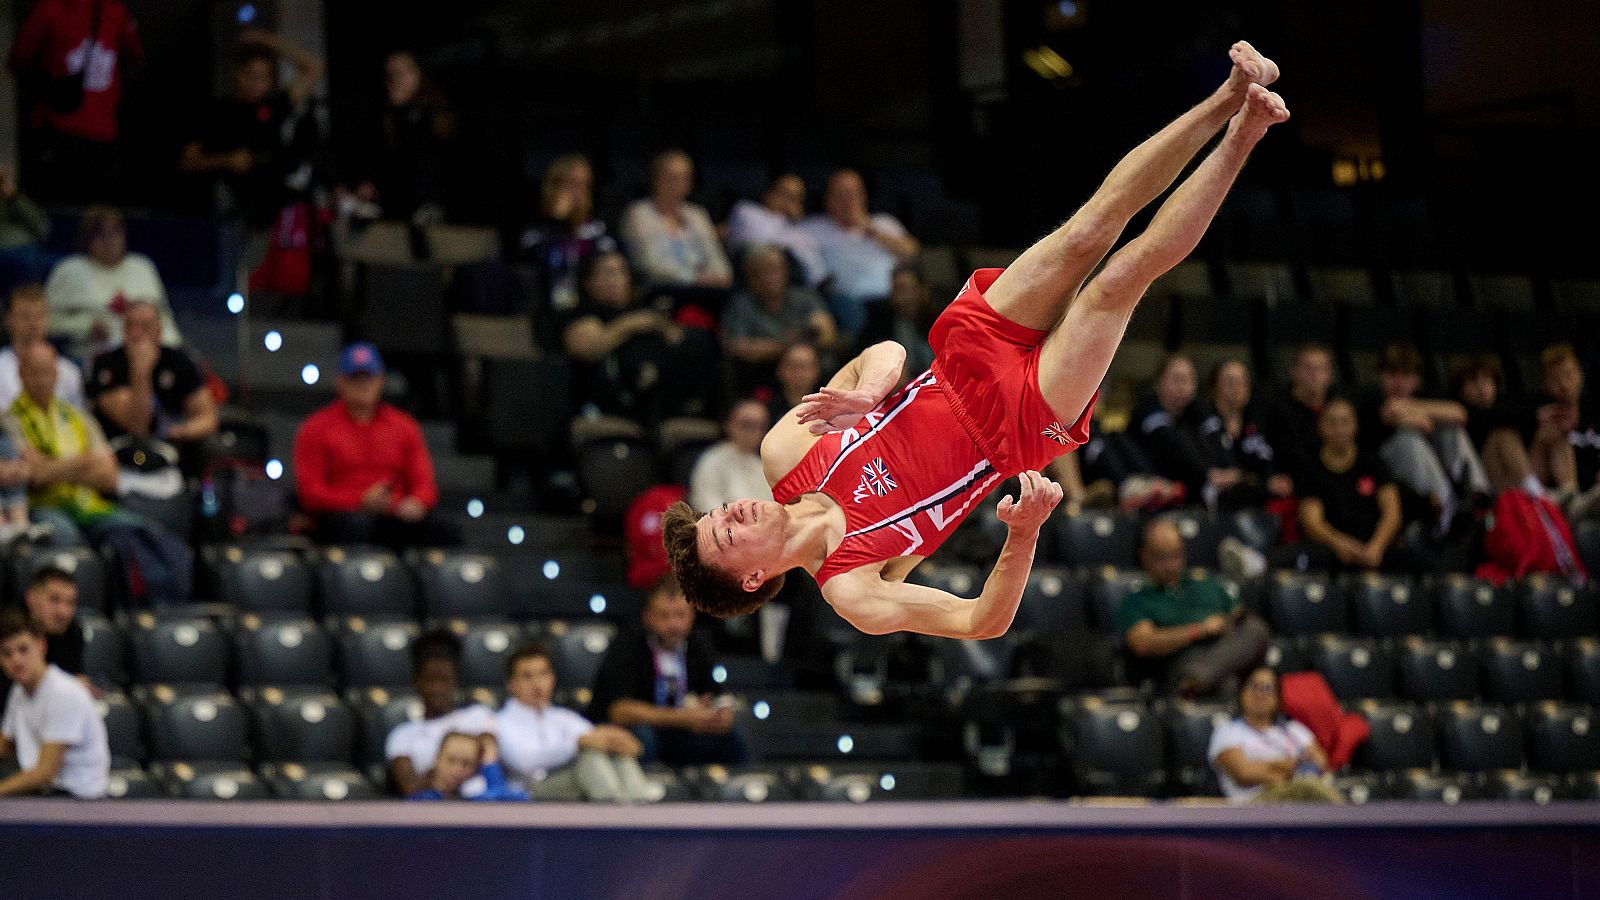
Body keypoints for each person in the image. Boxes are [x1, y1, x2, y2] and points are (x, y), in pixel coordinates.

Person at [660, 43, 1291, 638]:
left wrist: (868, 395)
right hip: (1014, 427)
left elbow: (885, 353)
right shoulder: (852, 589)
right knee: (1121, 279)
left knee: (1090, 227)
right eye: (723, 535)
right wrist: (1024, 533)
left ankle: (1229, 93)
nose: (731, 513)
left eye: (717, 514)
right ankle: (1245, 134)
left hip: (959, 361)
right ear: (752, 577)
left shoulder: (783, 452)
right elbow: (978, 622)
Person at [6, 342, 192, 605]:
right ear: (21, 374)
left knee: (157, 537)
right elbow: (33, 474)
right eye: (34, 372)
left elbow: (109, 475)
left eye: (47, 371)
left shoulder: (77, 417)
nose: (41, 379)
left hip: (89, 505)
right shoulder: (10, 420)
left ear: (57, 373)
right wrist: (83, 464)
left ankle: (161, 611)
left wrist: (53, 467)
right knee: (71, 541)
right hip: (46, 507)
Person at [293, 342, 459, 549]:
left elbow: (425, 485)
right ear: (340, 381)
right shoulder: (315, 428)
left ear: (381, 380)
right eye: (355, 378)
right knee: (354, 526)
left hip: (395, 515)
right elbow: (310, 493)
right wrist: (359, 500)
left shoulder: (404, 426)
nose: (363, 384)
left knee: (445, 532)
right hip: (342, 517)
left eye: (368, 377)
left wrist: (416, 502)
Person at [589, 575, 748, 767]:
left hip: (683, 732)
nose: (673, 625)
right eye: (664, 616)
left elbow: (711, 695)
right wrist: (682, 718)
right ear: (647, 617)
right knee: (642, 738)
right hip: (643, 730)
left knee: (733, 740)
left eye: (680, 615)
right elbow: (619, 711)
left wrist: (717, 714)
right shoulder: (628, 644)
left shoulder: (698, 645)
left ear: (692, 615)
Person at [179, 28, 324, 226]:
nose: (258, 84)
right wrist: (226, 160)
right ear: (239, 75)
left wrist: (268, 40)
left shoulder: (272, 106)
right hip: (234, 212)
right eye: (253, 76)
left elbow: (314, 68)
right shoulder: (216, 112)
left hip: (278, 209)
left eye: (264, 78)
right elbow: (188, 161)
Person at [1274, 398, 1433, 573]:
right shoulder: (1310, 469)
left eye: (1345, 422)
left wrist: (1376, 547)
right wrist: (1341, 544)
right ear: (1320, 427)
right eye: (1332, 422)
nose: (1339, 429)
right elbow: (1313, 522)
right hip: (1332, 545)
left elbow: (1392, 513)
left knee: (1425, 566)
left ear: (1355, 426)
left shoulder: (1373, 464)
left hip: (1374, 542)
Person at [8, 0, 144, 203]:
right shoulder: (114, 12)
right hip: (77, 131)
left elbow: (19, 59)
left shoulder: (52, 9)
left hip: (70, 131)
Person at [1117, 520, 1269, 698]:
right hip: (1182, 660)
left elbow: (1239, 615)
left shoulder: (1204, 582)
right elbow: (1143, 643)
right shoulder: (1138, 598)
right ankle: (1195, 679)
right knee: (1227, 684)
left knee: (1255, 629)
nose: (1171, 565)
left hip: (1224, 652)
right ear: (1144, 557)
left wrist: (1225, 623)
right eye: (1162, 558)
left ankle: (1197, 679)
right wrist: (1199, 630)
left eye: (1176, 556)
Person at [561, 249, 712, 425]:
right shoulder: (583, 314)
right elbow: (588, 348)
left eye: (620, 272)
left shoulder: (646, 309)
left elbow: (677, 339)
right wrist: (633, 323)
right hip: (608, 406)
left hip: (660, 402)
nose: (614, 280)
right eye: (606, 273)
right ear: (588, 282)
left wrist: (659, 325)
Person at [1356, 343, 1490, 535]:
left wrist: (1416, 411)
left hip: (1428, 466)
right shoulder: (1370, 401)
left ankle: (1477, 496)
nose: (1399, 382)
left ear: (1417, 380)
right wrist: (1424, 416)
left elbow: (1459, 413)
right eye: (1392, 375)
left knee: (1452, 431)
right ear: (1381, 375)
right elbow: (1392, 413)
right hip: (1386, 467)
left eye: (1406, 376)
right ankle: (1446, 510)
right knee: (1409, 439)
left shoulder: (1422, 397)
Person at [497, 642, 651, 803]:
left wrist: (620, 742)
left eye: (543, 674)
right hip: (529, 791)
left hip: (570, 784)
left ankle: (640, 810)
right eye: (527, 676)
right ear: (511, 684)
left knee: (617, 757)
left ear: (552, 678)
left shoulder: (565, 717)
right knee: (590, 758)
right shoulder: (500, 721)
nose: (537, 683)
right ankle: (621, 816)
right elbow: (525, 762)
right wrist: (577, 743)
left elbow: (595, 739)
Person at [88, 300, 217, 477]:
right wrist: (141, 373)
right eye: (130, 326)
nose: (136, 334)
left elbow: (208, 418)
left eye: (145, 327)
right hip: (118, 452)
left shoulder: (179, 362)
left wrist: (181, 430)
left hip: (170, 448)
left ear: (159, 330)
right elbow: (138, 427)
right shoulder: (107, 364)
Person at [797, 169, 921, 337]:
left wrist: (870, 230)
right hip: (845, 301)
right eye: (840, 195)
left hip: (891, 299)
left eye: (853, 193)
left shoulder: (884, 223)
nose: (847, 201)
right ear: (827, 199)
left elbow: (912, 251)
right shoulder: (812, 228)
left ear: (864, 196)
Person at [43, 206, 180, 357]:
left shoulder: (142, 266)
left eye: (114, 233)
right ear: (87, 238)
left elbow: (165, 317)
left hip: (149, 353)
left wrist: (173, 346)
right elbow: (46, 321)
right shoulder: (69, 269)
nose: (109, 241)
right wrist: (86, 327)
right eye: (101, 235)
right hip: (93, 354)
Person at [0, 610, 109, 798]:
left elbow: (45, 773)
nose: (16, 660)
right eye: (6, 653)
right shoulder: (18, 691)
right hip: (48, 796)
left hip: (80, 803)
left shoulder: (63, 692)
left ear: (41, 645)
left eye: (23, 649)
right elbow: (5, 745)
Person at [340, 50, 453, 228]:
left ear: (416, 74)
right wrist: (369, 184)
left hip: (432, 205)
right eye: (389, 75)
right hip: (395, 206)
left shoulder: (432, 111)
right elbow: (383, 159)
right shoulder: (385, 116)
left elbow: (425, 156)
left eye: (399, 73)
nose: (393, 81)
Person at [385, 630, 497, 798]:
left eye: (444, 679)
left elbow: (488, 762)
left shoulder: (478, 716)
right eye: (431, 680)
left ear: (455, 680)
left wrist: (438, 776)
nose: (438, 688)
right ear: (417, 681)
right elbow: (409, 786)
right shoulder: (402, 735)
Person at [1208, 666, 1337, 804]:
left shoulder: (1294, 729)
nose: (1260, 694)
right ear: (1241, 692)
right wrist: (1294, 765)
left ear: (1278, 697)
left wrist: (1268, 768)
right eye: (1254, 686)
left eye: (1268, 688)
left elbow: (1320, 763)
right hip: (1254, 804)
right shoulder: (1228, 731)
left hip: (1299, 798)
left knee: (1312, 788)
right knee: (1308, 787)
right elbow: (1244, 774)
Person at [620, 150, 732, 291]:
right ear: (655, 179)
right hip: (662, 290)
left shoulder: (697, 214)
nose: (677, 184)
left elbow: (716, 258)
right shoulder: (638, 213)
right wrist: (693, 279)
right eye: (670, 177)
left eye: (684, 178)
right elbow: (649, 265)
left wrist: (720, 277)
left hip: (705, 290)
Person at [519, 153, 613, 312]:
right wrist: (557, 221)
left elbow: (606, 260)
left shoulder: (596, 228)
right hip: (546, 306)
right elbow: (537, 262)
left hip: (589, 305)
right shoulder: (535, 227)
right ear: (554, 186)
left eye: (585, 185)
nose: (579, 193)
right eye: (573, 184)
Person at [721, 245, 837, 369]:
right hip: (761, 369)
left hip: (806, 365)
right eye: (761, 272)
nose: (769, 278)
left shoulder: (805, 297)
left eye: (774, 270)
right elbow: (736, 347)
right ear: (749, 277)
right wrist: (785, 345)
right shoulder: (742, 304)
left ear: (786, 271)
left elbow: (826, 333)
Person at [1198, 359, 1292, 508]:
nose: (1238, 387)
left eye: (1243, 381)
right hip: (1216, 504)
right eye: (1230, 381)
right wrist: (1259, 481)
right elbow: (1218, 475)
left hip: (1258, 502)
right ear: (1214, 386)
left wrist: (1275, 480)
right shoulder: (1202, 424)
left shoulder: (1258, 422)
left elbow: (1268, 466)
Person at [0, 568, 87, 718]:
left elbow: (76, 683)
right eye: (54, 600)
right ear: (31, 599)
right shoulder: (7, 630)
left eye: (70, 602)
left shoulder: (73, 632)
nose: (63, 612)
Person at [1452, 354, 1543, 497]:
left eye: (1487, 380)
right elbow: (1487, 419)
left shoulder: (1504, 407)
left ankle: (1570, 495)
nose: (1481, 387)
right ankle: (1539, 497)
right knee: (1503, 436)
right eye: (1474, 381)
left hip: (1517, 472)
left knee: (1550, 432)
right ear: (1461, 388)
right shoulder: (1462, 411)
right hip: (1483, 479)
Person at [1531, 344, 1600, 521]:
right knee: (1554, 433)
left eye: (1568, 375)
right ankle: (1576, 503)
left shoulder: (1594, 412)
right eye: (1555, 379)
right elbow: (1536, 476)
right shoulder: (1539, 418)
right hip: (1564, 500)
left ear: (1581, 374)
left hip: (1596, 494)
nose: (1563, 384)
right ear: (1545, 384)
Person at [725, 174, 826, 287]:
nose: (789, 202)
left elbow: (816, 269)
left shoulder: (799, 228)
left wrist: (796, 223)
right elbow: (765, 241)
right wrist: (790, 221)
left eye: (796, 198)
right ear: (769, 194)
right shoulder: (746, 210)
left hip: (793, 286)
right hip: (751, 281)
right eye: (785, 194)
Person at [1264, 343, 1340, 487]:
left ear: (1330, 374)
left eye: (1320, 369)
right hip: (1297, 483)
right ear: (1294, 372)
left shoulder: (1340, 408)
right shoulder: (1278, 411)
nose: (1314, 375)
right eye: (1308, 368)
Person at [0, 285, 86, 410]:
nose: (33, 323)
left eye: (39, 316)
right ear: (8, 320)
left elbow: (78, 420)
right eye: (25, 316)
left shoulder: (69, 372)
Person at [689, 399, 774, 513]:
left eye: (760, 426)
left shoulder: (766, 464)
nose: (754, 431)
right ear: (729, 425)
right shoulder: (712, 461)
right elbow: (707, 505)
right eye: (747, 424)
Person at [859, 262, 937, 381]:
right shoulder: (880, 321)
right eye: (896, 288)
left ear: (923, 290)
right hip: (897, 386)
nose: (900, 296)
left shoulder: (940, 318)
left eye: (905, 289)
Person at [406, 732, 527, 802]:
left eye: (466, 764)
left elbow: (506, 800)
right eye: (451, 760)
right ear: (437, 759)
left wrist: (489, 760)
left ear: (475, 769)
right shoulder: (422, 797)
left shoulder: (471, 796)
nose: (457, 769)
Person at [0, 167, 57, 298]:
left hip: (29, 248)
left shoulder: (14, 200)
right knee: (26, 261)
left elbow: (41, 226)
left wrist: (13, 196)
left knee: (65, 264)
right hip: (11, 252)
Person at [765, 341, 823, 427]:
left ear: (816, 371)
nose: (798, 373)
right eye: (793, 366)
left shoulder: (828, 407)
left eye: (804, 367)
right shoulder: (766, 407)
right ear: (780, 369)